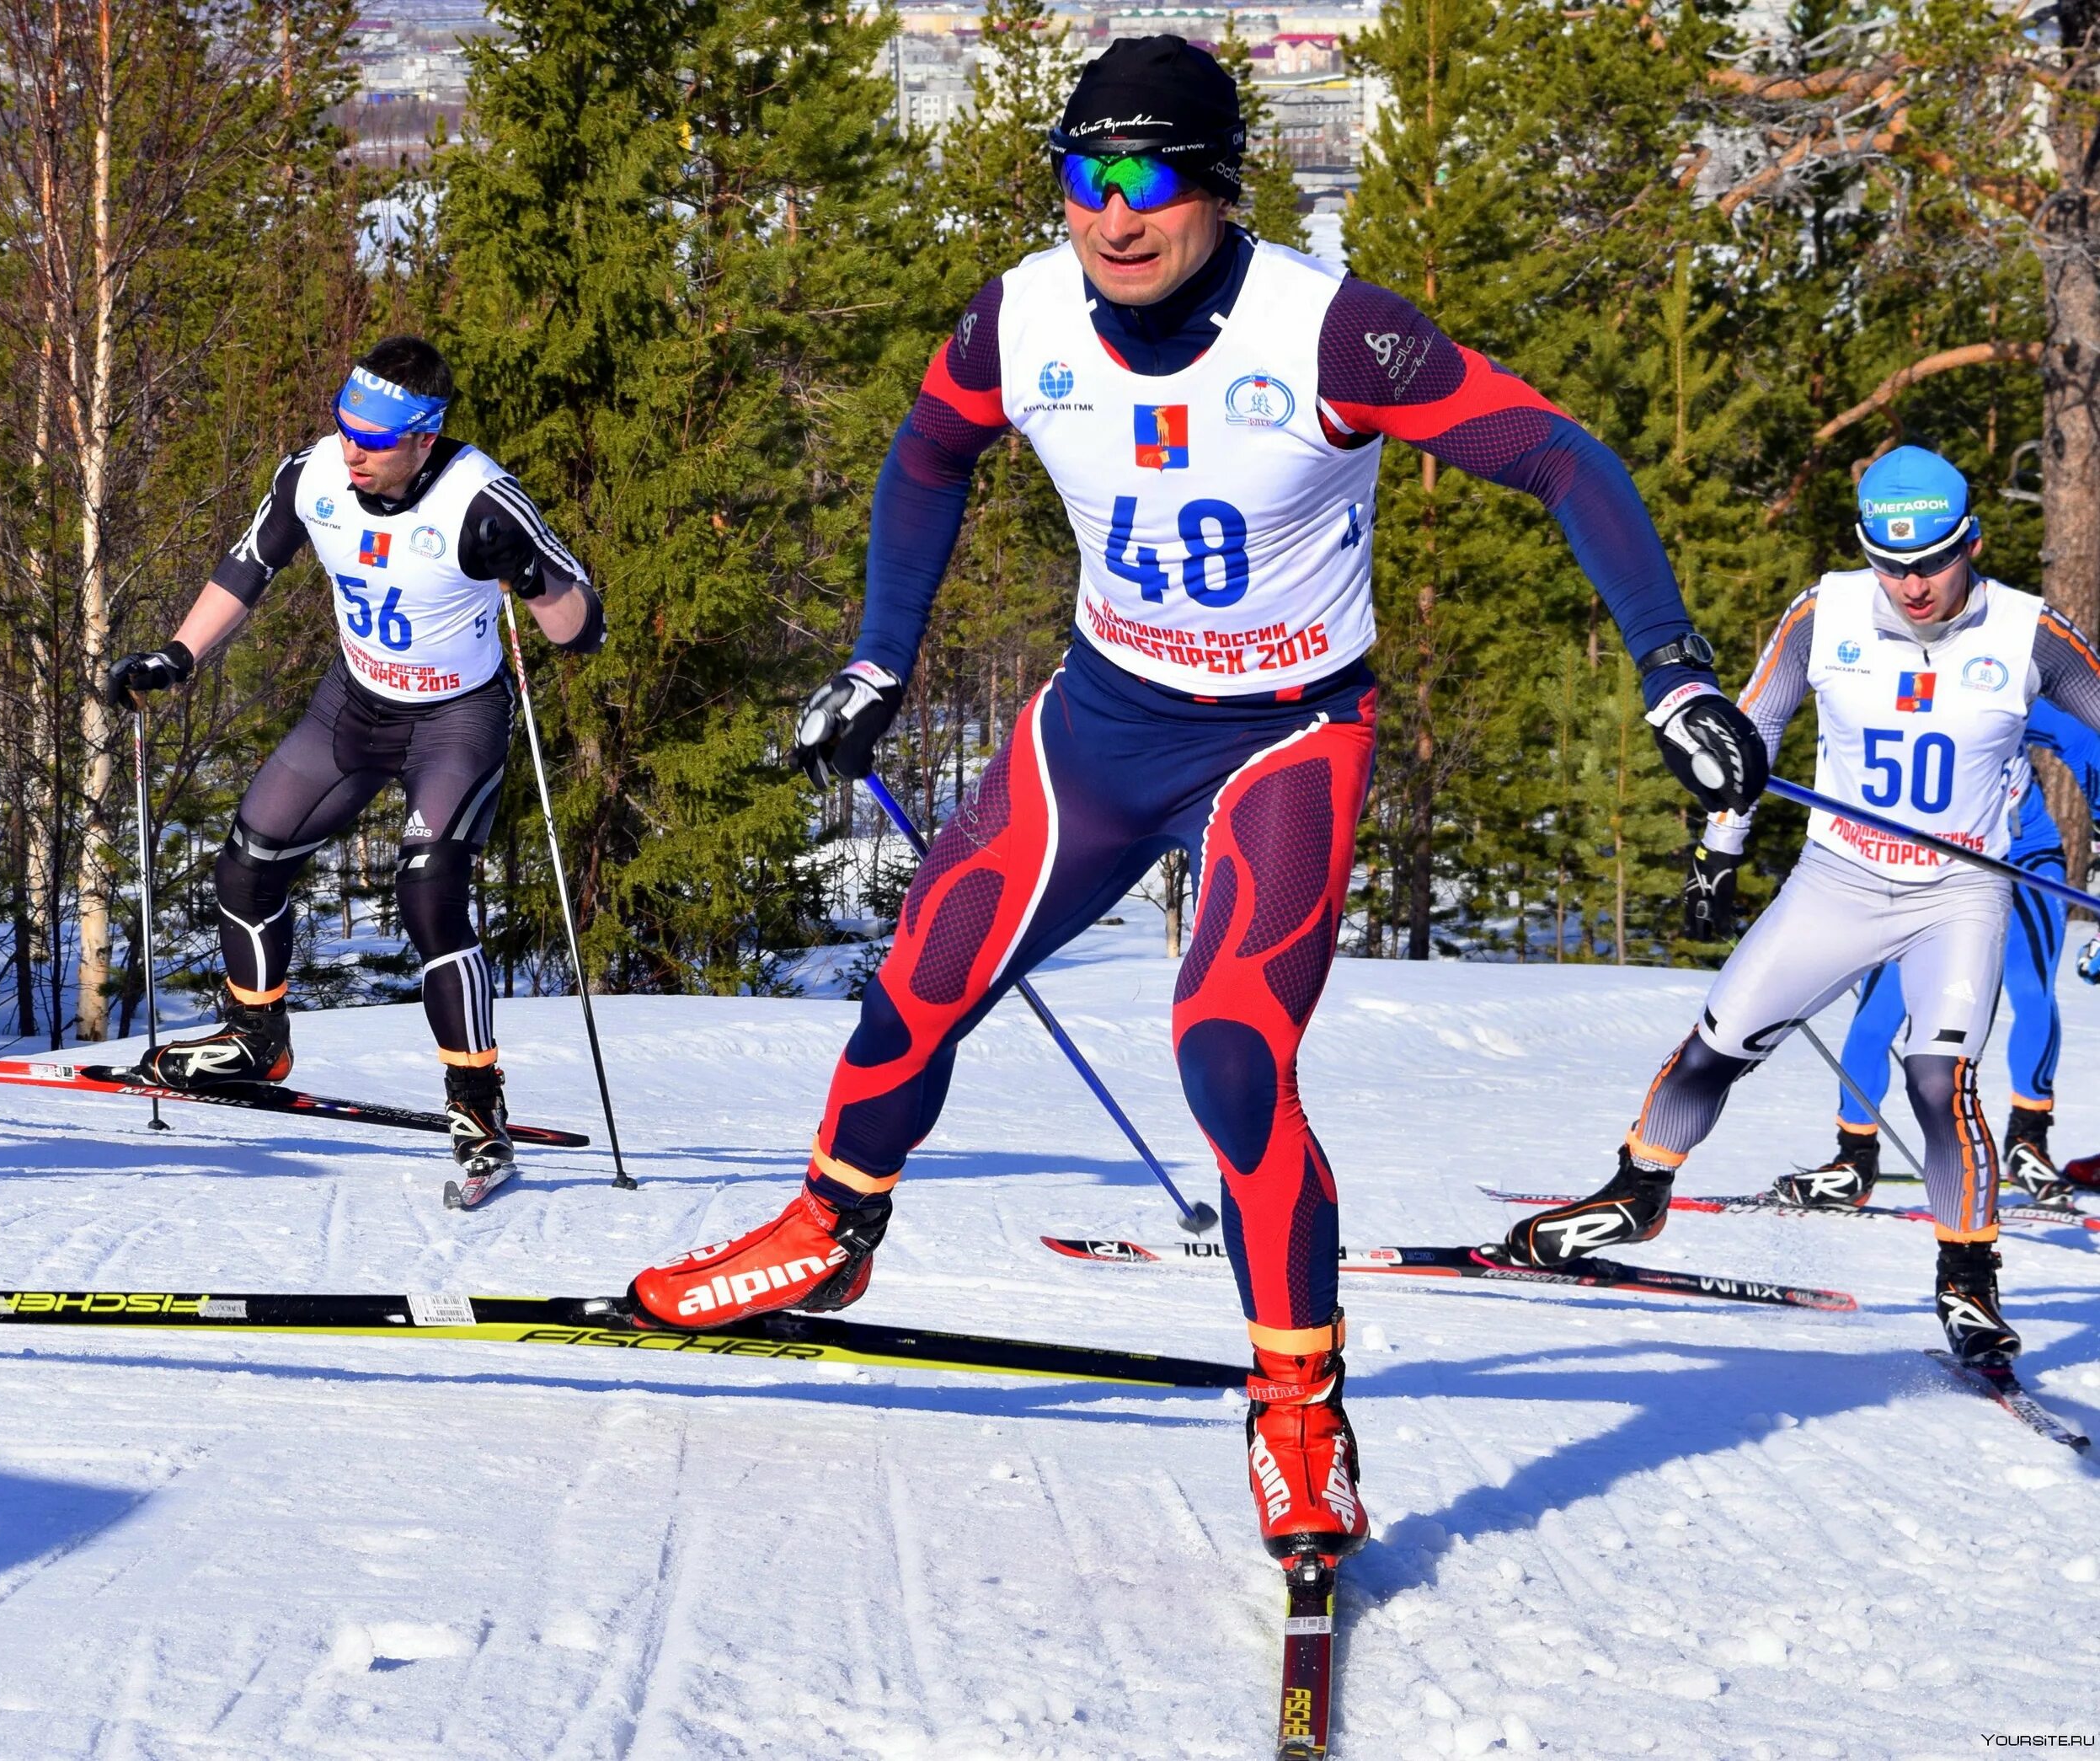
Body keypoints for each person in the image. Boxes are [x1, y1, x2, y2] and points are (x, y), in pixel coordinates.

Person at [620, 36, 1764, 1570]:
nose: (1114, 216)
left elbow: (1560, 457)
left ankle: (1298, 1402)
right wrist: (880, 658)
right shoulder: (1022, 312)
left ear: (1219, 184)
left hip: (1283, 742)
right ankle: (830, 1233)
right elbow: (927, 452)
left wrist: (1677, 674)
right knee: (917, 987)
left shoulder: (1332, 335)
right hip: (1099, 724)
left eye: (1150, 179)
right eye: (1084, 181)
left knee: (1228, 1056)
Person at [1508, 447, 2100, 1367]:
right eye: (1888, 561)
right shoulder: (1823, 614)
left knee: (1938, 1083)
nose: (1910, 585)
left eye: (1932, 560)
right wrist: (1718, 855)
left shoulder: (2030, 634)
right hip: (1839, 879)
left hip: (1959, 892)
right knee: (1716, 1048)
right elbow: (1750, 738)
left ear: (1971, 542)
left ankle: (1967, 1280)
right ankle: (1637, 1191)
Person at [104, 336, 605, 1180]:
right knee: (248, 859)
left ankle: (478, 1101)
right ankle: (255, 1040)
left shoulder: (482, 500)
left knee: (429, 890)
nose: (353, 451)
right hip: (355, 706)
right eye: (345, 429)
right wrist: (180, 657)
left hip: (456, 718)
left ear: (423, 435)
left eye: (374, 440)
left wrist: (533, 580)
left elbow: (581, 628)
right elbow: (248, 565)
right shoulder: (313, 476)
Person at [1782, 701, 2100, 1210]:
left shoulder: (1996, 681)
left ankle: (2027, 1141)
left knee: (2031, 989)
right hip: (1924, 859)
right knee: (1876, 1016)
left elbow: (2086, 743)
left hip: (2022, 852)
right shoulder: (1874, 690)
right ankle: (1854, 1159)